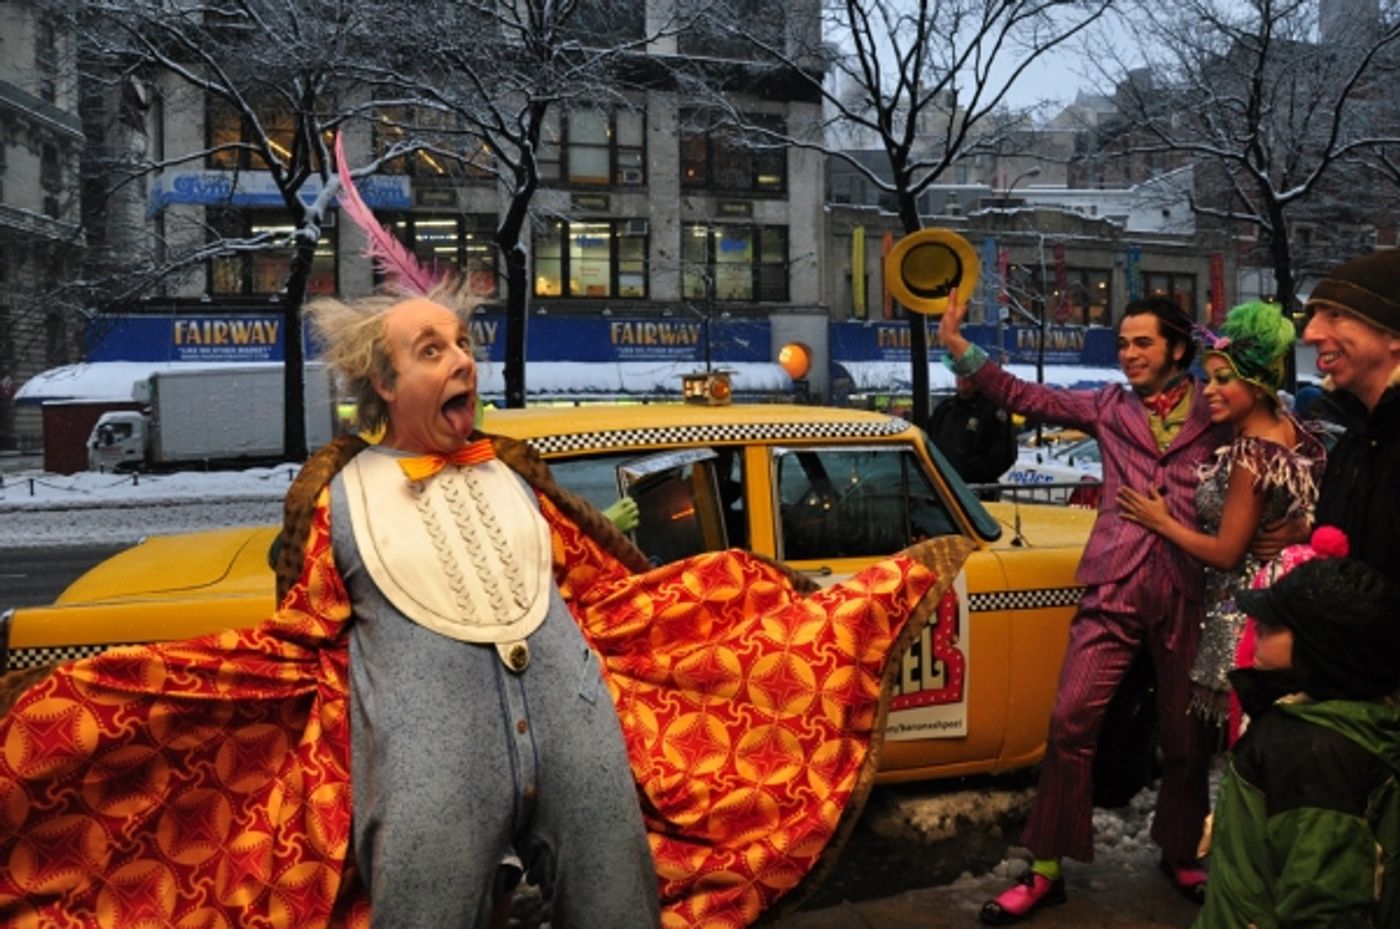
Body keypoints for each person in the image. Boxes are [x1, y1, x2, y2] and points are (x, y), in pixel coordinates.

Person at [0, 155, 974, 926]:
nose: (461, 359)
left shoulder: (516, 471)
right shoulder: (337, 492)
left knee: (616, 903)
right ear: (382, 382)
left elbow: (609, 596)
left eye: (461, 343)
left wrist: (797, 602)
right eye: (433, 349)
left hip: (574, 727)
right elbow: (296, 642)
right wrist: (112, 704)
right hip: (432, 751)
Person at [939, 292, 1229, 924]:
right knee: (1069, 723)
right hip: (1113, 584)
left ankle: (1180, 850)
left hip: (1188, 587)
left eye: (1143, 343)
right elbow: (1024, 396)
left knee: (1187, 740)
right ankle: (1045, 868)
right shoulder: (1107, 406)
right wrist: (962, 349)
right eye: (1123, 343)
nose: (1128, 354)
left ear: (1178, 347)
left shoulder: (1218, 409)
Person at [1117, 302, 1326, 736]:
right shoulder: (1291, 430)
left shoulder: (1251, 453)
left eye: (1223, 379)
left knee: (1246, 745)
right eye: (1209, 377)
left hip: (1243, 616)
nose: (1208, 390)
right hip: (1281, 604)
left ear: (1257, 384)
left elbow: (1227, 552)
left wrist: (1161, 521)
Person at [1194, 552, 1400, 929]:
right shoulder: (1310, 724)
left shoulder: (1316, 755)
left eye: (1272, 624)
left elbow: (1322, 909)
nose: (1254, 629)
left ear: (1319, 649)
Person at [1297, 249, 1400, 585]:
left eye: (1336, 314)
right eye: (1313, 316)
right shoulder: (1352, 437)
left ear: (1394, 335)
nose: (1310, 334)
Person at [924, 374, 1018, 488]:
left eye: (968, 375)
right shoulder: (945, 409)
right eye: (959, 374)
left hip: (975, 492)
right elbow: (927, 443)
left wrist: (974, 476)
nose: (962, 379)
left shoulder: (993, 411)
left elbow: (1004, 455)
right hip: (943, 490)